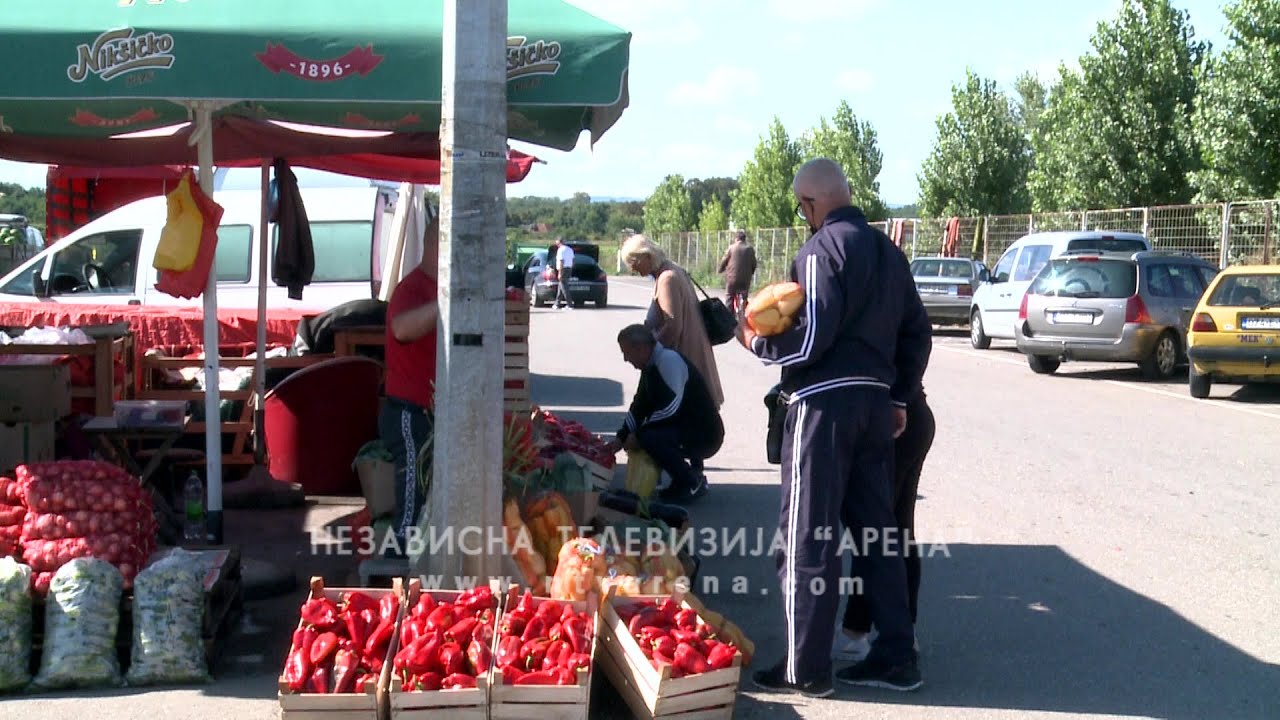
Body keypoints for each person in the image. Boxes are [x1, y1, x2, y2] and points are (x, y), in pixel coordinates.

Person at [737, 157, 931, 696]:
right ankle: (897, 655)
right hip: (874, 409)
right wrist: (898, 396)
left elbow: (814, 333)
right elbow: (918, 334)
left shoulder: (821, 250)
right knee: (878, 535)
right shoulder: (892, 254)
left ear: (811, 204)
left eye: (803, 208)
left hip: (823, 408)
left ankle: (807, 668)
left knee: (807, 538)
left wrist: (757, 343)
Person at [835, 388, 935, 662]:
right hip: (909, 413)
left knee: (871, 531)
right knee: (896, 531)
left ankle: (858, 633)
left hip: (892, 420)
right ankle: (900, 632)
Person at [605, 325, 724, 502]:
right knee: (648, 436)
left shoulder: (669, 361)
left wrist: (637, 435)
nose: (625, 359)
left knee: (649, 438)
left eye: (627, 353)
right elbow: (639, 406)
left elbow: (670, 408)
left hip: (705, 435)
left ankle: (691, 481)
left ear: (641, 348)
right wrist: (621, 438)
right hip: (684, 427)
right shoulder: (651, 365)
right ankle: (682, 480)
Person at [378, 219, 440, 555]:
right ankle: (398, 557)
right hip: (407, 411)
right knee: (411, 489)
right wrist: (443, 303)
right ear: (436, 245)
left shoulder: (433, 286)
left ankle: (413, 556)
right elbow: (402, 328)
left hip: (429, 411)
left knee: (424, 490)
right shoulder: (412, 288)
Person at [620, 234, 725, 410]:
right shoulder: (672, 270)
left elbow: (673, 327)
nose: (632, 268)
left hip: (684, 357)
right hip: (691, 354)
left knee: (686, 417)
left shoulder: (667, 278)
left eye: (634, 261)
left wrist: (651, 356)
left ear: (647, 256)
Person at [718, 230, 758, 313]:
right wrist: (751, 273)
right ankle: (745, 314)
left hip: (732, 279)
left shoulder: (731, 248)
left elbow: (724, 261)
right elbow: (754, 264)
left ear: (736, 239)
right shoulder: (750, 249)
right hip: (745, 280)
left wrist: (720, 270)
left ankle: (729, 317)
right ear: (744, 239)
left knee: (729, 297)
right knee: (744, 297)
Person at [553, 238, 576, 310]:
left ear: (560, 242)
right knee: (561, 286)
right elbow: (573, 261)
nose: (556, 244)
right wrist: (570, 268)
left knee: (564, 287)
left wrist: (560, 272)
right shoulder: (570, 249)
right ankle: (557, 303)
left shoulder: (560, 250)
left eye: (557, 243)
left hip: (563, 269)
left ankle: (570, 305)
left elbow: (561, 261)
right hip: (569, 269)